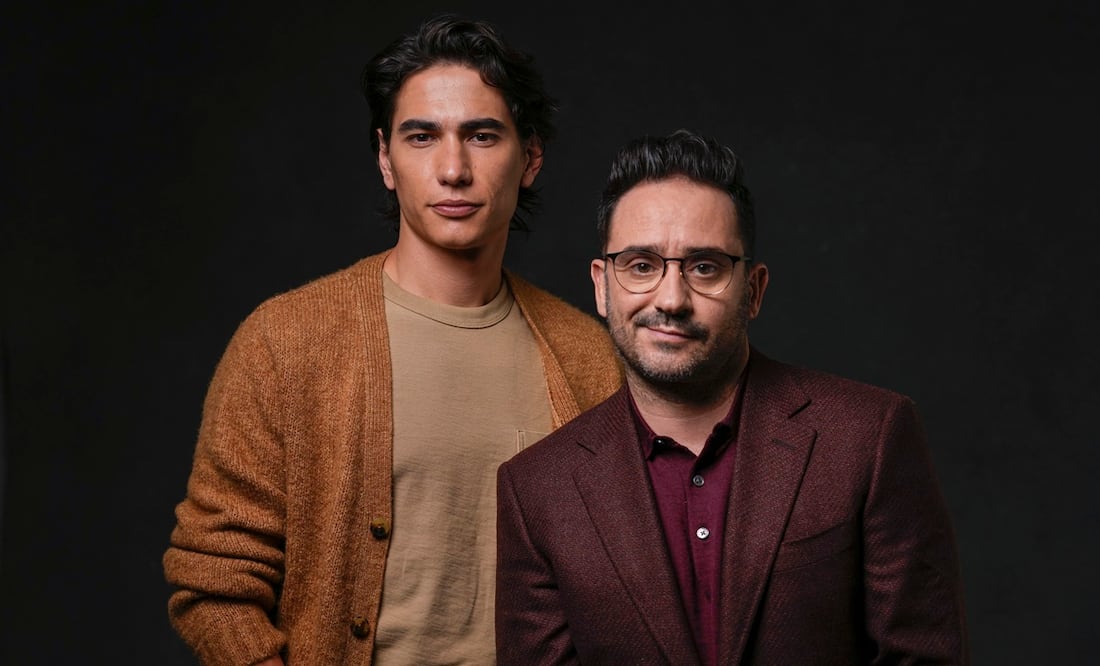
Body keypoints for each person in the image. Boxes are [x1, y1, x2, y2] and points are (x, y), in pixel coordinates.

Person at [163, 15, 621, 666]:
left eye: (483, 135)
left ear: (531, 159)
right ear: (385, 158)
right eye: (422, 136)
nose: (453, 169)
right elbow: (213, 576)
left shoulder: (590, 358)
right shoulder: (286, 341)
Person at [495, 129, 968, 664]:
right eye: (642, 266)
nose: (671, 300)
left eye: (704, 267)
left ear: (754, 290)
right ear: (603, 286)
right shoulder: (536, 490)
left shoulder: (869, 436)